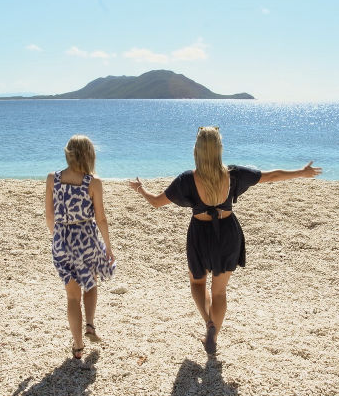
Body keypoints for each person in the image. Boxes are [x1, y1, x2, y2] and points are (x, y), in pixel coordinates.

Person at [128, 126, 322, 354]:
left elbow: (156, 202)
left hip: (200, 233)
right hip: (228, 233)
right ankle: (214, 335)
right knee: (219, 292)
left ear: (197, 150)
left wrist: (140, 189)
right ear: (219, 149)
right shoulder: (234, 174)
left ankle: (208, 323)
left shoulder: (187, 179)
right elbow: (272, 176)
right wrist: (301, 172)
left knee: (197, 282)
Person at [45, 135, 116, 360]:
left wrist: (57, 239)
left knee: (72, 296)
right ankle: (90, 325)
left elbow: (49, 215)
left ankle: (77, 346)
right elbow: (101, 218)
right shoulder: (92, 182)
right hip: (86, 238)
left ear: (68, 153)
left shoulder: (52, 178)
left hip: (61, 239)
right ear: (89, 155)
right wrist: (108, 246)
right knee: (91, 283)